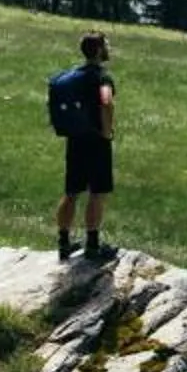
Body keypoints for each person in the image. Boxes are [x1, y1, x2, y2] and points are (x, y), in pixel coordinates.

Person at [54, 32, 117, 262]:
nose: (109, 48)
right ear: (99, 50)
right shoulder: (103, 77)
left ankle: (64, 243)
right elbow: (106, 102)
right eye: (106, 44)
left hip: (76, 139)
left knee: (71, 192)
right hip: (96, 142)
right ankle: (92, 245)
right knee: (97, 193)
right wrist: (107, 131)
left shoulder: (73, 76)